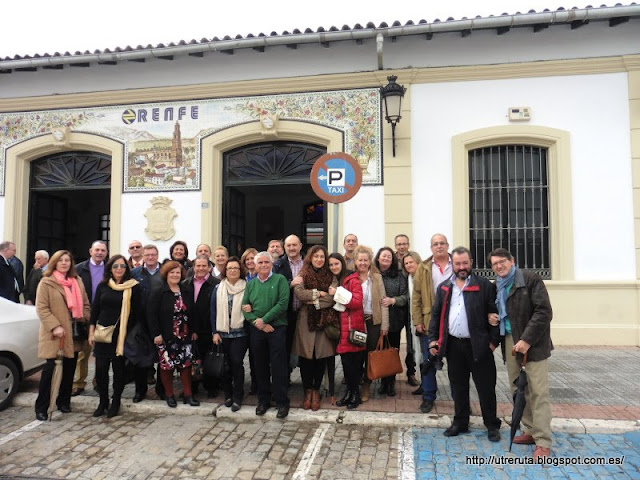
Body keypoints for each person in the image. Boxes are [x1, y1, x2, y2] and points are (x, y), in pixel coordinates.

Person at [428, 246, 501, 442]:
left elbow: (495, 314)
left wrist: (493, 343)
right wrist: (433, 339)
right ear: (452, 264)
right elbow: (436, 316)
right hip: (454, 346)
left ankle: (491, 425)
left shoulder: (484, 286)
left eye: (465, 263)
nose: (462, 267)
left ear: (471, 263)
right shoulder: (444, 287)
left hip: (479, 347)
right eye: (458, 263)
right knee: (458, 387)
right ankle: (460, 422)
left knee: (486, 388)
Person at [489, 248, 553, 460]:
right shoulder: (497, 286)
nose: (499, 266)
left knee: (538, 391)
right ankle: (530, 430)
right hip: (510, 340)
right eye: (495, 263)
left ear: (512, 261)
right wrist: (491, 316)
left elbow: (544, 311)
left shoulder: (530, 279)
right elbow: (496, 310)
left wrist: (526, 340)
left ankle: (543, 441)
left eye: (502, 261)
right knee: (518, 389)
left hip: (533, 342)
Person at [34, 250, 91, 421]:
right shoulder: (47, 282)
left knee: (69, 369)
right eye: (61, 260)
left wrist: (84, 316)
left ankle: (64, 402)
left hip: (74, 333)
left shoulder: (77, 281)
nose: (64, 263)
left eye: (67, 260)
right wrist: (55, 326)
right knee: (50, 371)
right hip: (56, 334)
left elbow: (86, 303)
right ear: (54, 263)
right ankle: (42, 407)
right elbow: (42, 308)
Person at [88, 255, 141, 418]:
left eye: (122, 266)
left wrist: (130, 334)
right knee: (101, 370)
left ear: (127, 269)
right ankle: (103, 401)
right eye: (115, 266)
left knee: (119, 371)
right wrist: (91, 331)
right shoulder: (103, 286)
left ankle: (116, 400)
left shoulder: (133, 287)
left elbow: (137, 314)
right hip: (103, 333)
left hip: (122, 335)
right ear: (110, 269)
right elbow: (95, 310)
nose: (119, 269)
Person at [242, 251, 290, 419]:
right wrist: (258, 323)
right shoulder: (251, 284)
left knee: (278, 366)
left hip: (277, 329)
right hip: (258, 330)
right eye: (260, 263)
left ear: (271, 264)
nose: (263, 265)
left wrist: (264, 320)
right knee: (260, 366)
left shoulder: (280, 280)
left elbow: (282, 304)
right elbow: (245, 307)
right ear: (255, 266)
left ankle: (282, 402)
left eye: (266, 262)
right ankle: (263, 400)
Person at [291, 245, 339, 411]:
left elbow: (332, 298)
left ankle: (316, 391)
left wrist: (313, 301)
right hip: (306, 320)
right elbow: (299, 293)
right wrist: (318, 293)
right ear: (310, 258)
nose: (319, 259)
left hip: (324, 320)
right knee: (306, 358)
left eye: (322, 257)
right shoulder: (303, 273)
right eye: (316, 256)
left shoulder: (331, 275)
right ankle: (307, 391)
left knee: (320, 357)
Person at [148, 261, 199, 408]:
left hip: (185, 335)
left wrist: (194, 330)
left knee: (186, 366)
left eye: (177, 272)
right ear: (166, 274)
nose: (175, 275)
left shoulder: (186, 290)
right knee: (167, 366)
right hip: (166, 336)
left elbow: (193, 312)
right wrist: (156, 334)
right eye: (172, 272)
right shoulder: (159, 291)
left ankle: (188, 395)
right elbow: (151, 314)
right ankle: (169, 395)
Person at [412, 233, 452, 413]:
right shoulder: (424, 268)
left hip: (454, 322)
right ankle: (428, 397)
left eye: (442, 243)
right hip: (430, 322)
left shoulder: (456, 265)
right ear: (431, 248)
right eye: (435, 244)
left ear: (447, 245)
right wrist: (417, 321)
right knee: (428, 361)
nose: (439, 246)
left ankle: (460, 398)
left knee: (456, 363)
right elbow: (416, 296)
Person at [328, 253, 365, 409]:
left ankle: (356, 395)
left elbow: (357, 302)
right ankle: (349, 393)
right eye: (331, 265)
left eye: (336, 264)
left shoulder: (352, 279)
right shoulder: (336, 280)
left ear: (342, 263)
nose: (333, 267)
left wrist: (336, 293)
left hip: (353, 328)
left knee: (354, 366)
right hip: (342, 329)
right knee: (346, 365)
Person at [211, 257, 248, 411]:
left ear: (240, 270)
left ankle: (238, 396)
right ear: (225, 271)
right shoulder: (218, 288)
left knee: (236, 363)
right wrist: (214, 332)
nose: (233, 270)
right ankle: (228, 394)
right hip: (223, 333)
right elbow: (213, 311)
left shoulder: (247, 286)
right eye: (230, 268)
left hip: (241, 333)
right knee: (225, 365)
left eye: (235, 268)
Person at [72, 240, 108, 397]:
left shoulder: (110, 269)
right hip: (85, 316)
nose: (99, 253)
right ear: (90, 251)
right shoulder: (79, 269)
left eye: (102, 250)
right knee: (83, 352)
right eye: (97, 250)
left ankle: (98, 382)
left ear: (106, 253)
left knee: (102, 353)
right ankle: (79, 383)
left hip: (104, 316)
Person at [354, 245, 389, 402]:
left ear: (370, 262)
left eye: (365, 260)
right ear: (355, 261)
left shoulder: (376, 278)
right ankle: (355, 384)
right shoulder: (351, 278)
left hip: (373, 322)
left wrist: (384, 326)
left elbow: (383, 302)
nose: (363, 263)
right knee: (356, 354)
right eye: (360, 260)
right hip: (356, 322)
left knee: (370, 354)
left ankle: (367, 385)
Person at [182, 254, 220, 397]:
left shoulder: (216, 283)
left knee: (209, 358)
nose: (201, 268)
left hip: (209, 327)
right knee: (192, 358)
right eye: (198, 265)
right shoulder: (185, 284)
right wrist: (191, 329)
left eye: (204, 266)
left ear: (209, 268)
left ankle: (211, 388)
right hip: (190, 328)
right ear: (193, 267)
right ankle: (193, 388)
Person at [374, 246, 408, 397]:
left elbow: (406, 296)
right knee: (379, 351)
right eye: (384, 256)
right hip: (376, 319)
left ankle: (390, 382)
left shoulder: (399, 276)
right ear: (378, 258)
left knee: (392, 352)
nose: (386, 258)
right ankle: (382, 380)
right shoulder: (372, 274)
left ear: (393, 259)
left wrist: (393, 300)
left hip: (394, 320)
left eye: (389, 256)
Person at [131, 244, 163, 398]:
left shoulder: (165, 272)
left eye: (153, 255)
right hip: (140, 321)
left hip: (161, 321)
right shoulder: (134, 273)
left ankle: (162, 390)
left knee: (163, 357)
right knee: (141, 357)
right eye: (147, 254)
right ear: (143, 256)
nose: (150, 257)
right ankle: (140, 390)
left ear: (157, 256)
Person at [273, 234, 304, 378]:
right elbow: (274, 286)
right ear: (284, 248)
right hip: (286, 314)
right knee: (284, 348)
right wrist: (290, 284)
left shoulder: (308, 263)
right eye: (289, 245)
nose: (292, 248)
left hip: (305, 313)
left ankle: (307, 384)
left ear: (300, 246)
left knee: (305, 349)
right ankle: (285, 380)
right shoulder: (278, 265)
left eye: (294, 245)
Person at [394, 234, 418, 387]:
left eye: (404, 243)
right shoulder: (391, 260)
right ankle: (390, 374)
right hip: (396, 309)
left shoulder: (412, 260)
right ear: (395, 246)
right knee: (393, 343)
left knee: (412, 344)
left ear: (408, 244)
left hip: (411, 309)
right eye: (399, 244)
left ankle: (411, 373)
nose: (402, 246)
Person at [402, 251, 425, 397]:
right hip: (412, 321)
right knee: (418, 351)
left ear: (418, 262)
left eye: (411, 262)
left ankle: (428, 386)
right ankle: (425, 384)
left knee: (425, 353)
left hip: (424, 321)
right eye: (406, 263)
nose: (409, 265)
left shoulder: (424, 277)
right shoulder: (409, 278)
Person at [240, 246, 259, 394]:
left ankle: (256, 383)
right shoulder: (242, 277)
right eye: (247, 259)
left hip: (256, 319)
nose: (250, 261)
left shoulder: (261, 276)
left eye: (253, 258)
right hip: (242, 320)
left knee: (255, 354)